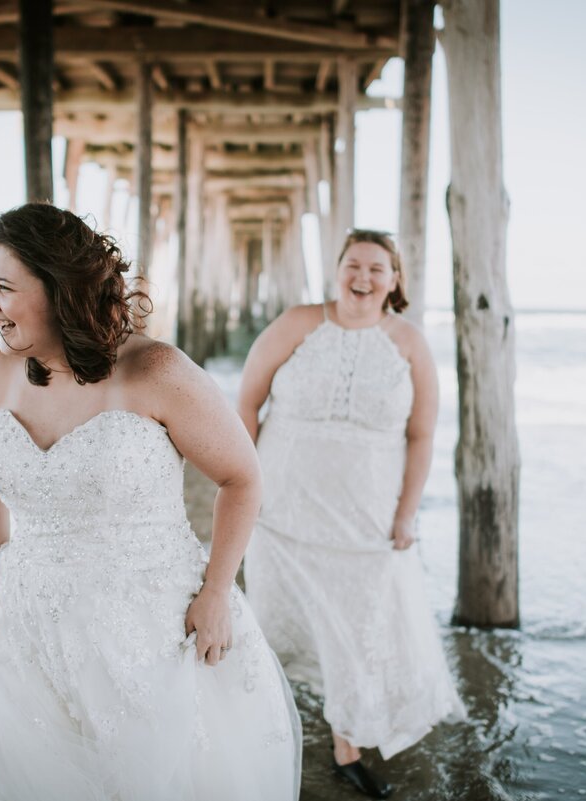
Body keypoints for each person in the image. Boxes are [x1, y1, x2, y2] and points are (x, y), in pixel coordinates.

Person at [0, 203, 301, 800]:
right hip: (29, 630)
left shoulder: (154, 369)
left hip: (151, 630)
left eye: (3, 287)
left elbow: (242, 478)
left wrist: (218, 592)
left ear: (59, 289)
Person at [238, 229, 466, 798]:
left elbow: (421, 435)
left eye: (377, 269)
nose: (362, 278)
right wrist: (244, 482)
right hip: (283, 512)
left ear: (395, 280)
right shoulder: (297, 322)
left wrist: (407, 514)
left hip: (364, 520)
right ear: (337, 269)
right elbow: (245, 400)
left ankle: (346, 743)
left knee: (353, 631)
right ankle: (260, 729)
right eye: (353, 265)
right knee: (272, 624)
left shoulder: (410, 343)